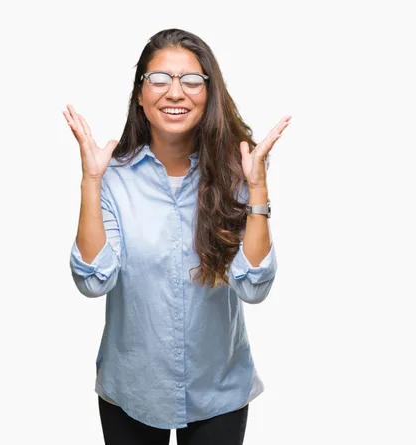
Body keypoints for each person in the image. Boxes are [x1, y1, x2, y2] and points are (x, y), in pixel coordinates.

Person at [64, 28, 291, 445]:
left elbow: (254, 287)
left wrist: (256, 191)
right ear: (139, 93)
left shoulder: (234, 176)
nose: (175, 92)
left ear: (209, 93)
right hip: (132, 390)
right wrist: (91, 181)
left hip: (218, 391)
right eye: (159, 79)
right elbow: (93, 280)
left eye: (191, 81)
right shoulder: (113, 178)